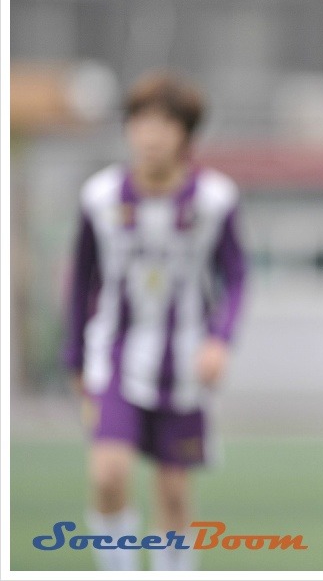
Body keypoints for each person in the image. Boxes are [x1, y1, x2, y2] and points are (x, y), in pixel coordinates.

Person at [62, 71, 246, 571]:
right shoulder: (100, 196)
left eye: (165, 124)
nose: (151, 134)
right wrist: (74, 358)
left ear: (186, 133)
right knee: (108, 474)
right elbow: (81, 280)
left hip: (183, 361)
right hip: (115, 356)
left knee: (173, 490)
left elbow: (236, 276)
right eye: (141, 122)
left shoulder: (215, 199)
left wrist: (220, 340)